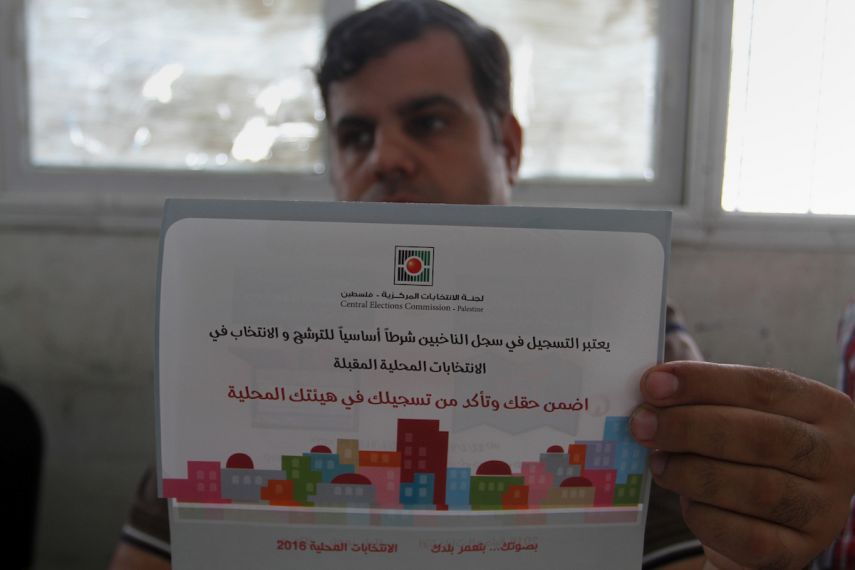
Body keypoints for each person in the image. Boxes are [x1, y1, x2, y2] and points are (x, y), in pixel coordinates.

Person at [110, 2, 855, 568]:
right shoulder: (241, 349)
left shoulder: (625, 348)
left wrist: (756, 546)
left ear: (509, 145)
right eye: (355, 135)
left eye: (428, 122)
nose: (385, 158)